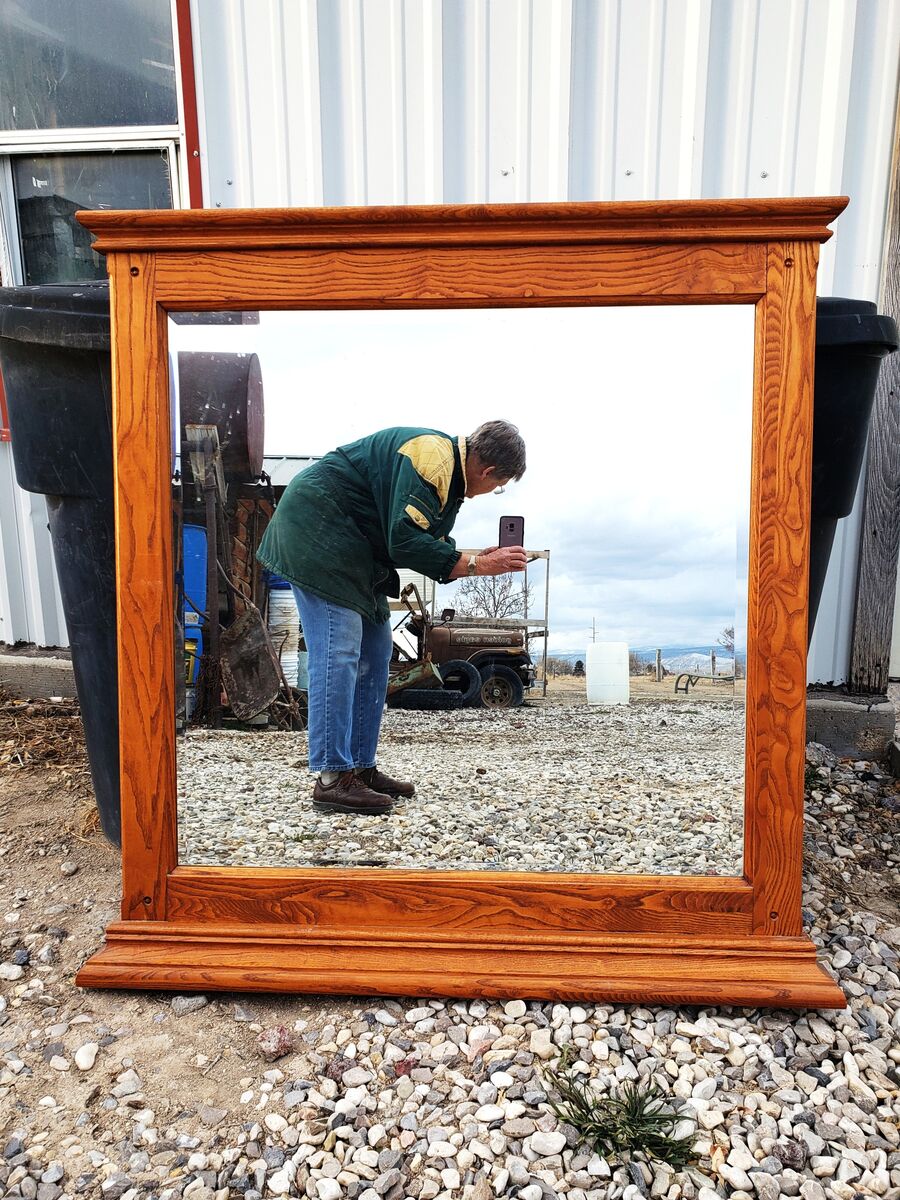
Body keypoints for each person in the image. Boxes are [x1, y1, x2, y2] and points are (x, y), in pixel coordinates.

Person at [257, 421, 527, 814]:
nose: (492, 492)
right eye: (498, 485)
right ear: (488, 473)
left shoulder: (448, 475)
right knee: (340, 652)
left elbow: (418, 537)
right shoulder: (433, 460)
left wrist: (474, 558)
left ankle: (360, 768)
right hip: (319, 533)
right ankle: (332, 777)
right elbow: (403, 539)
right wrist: (477, 566)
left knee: (376, 653)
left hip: (357, 550)